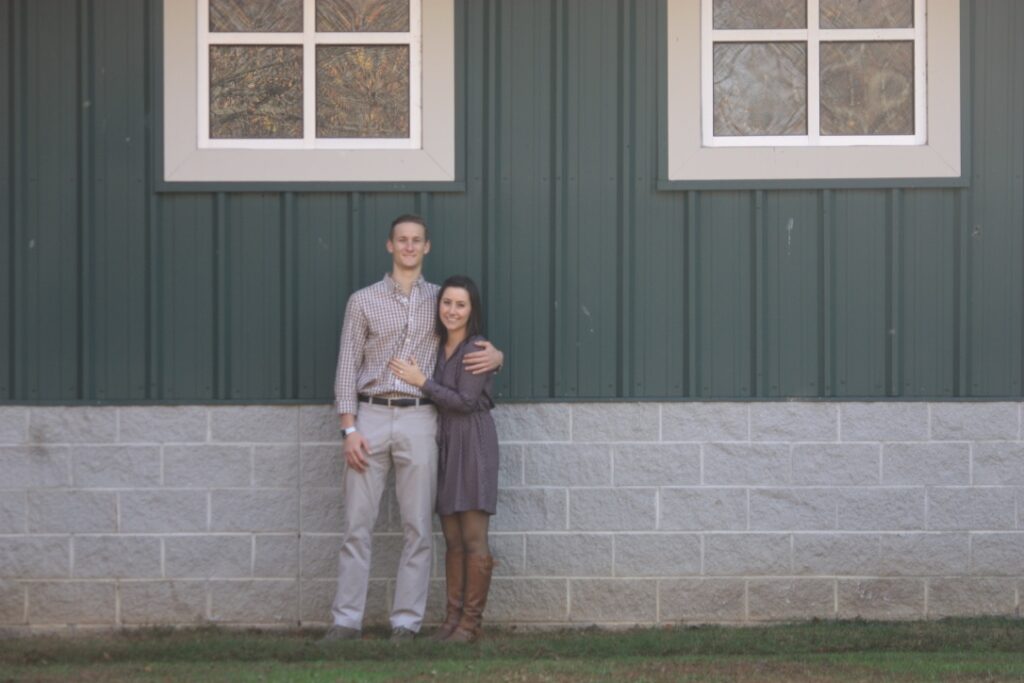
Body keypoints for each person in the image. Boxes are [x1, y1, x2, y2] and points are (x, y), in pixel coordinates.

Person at [321, 215, 502, 643]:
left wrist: (497, 354)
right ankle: (346, 620)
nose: (408, 246)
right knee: (356, 525)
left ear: (427, 247)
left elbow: (468, 332)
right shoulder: (362, 300)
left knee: (418, 526)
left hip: (422, 417)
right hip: (371, 415)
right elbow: (346, 367)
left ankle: (406, 623)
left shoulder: (441, 299)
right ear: (389, 246)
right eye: (401, 240)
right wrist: (349, 429)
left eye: (416, 240)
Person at [388, 275, 499, 643]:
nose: (452, 310)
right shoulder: (437, 346)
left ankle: (470, 624)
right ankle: (451, 621)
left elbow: (466, 402)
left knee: (472, 535)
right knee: (451, 536)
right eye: (447, 303)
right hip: (446, 441)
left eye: (461, 304)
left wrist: (422, 381)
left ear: (472, 310)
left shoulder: (476, 348)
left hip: (473, 442)